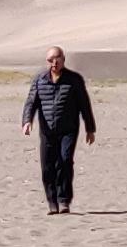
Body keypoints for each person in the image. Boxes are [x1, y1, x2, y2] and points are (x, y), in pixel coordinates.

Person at [21, 48, 97, 215]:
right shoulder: (39, 80)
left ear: (63, 59)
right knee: (48, 167)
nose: (54, 62)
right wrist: (27, 121)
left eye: (57, 58)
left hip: (68, 129)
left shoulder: (74, 80)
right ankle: (52, 202)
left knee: (65, 160)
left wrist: (90, 128)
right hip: (47, 131)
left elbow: (84, 105)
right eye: (50, 60)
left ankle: (64, 201)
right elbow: (31, 102)